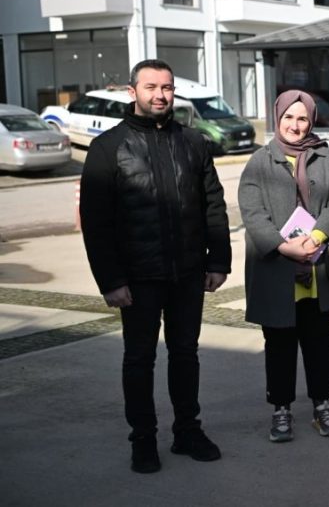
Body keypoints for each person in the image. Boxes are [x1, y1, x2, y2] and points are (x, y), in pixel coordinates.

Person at [80, 59, 231, 474]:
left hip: (186, 274)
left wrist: (218, 260)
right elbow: (96, 222)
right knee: (139, 359)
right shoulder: (108, 148)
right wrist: (111, 280)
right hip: (138, 278)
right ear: (133, 92)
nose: (160, 95)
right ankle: (143, 438)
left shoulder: (195, 143)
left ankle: (187, 431)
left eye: (166, 87)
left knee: (185, 353)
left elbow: (212, 205)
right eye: (151, 87)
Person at [238, 90, 329, 443]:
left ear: (311, 121)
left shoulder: (324, 156)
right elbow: (252, 213)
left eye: (302, 118)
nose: (295, 125)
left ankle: (322, 404)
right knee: (280, 343)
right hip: (276, 268)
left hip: (316, 268)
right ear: (277, 118)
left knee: (318, 341)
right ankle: (281, 409)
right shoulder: (259, 160)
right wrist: (284, 246)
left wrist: (316, 237)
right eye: (289, 117)